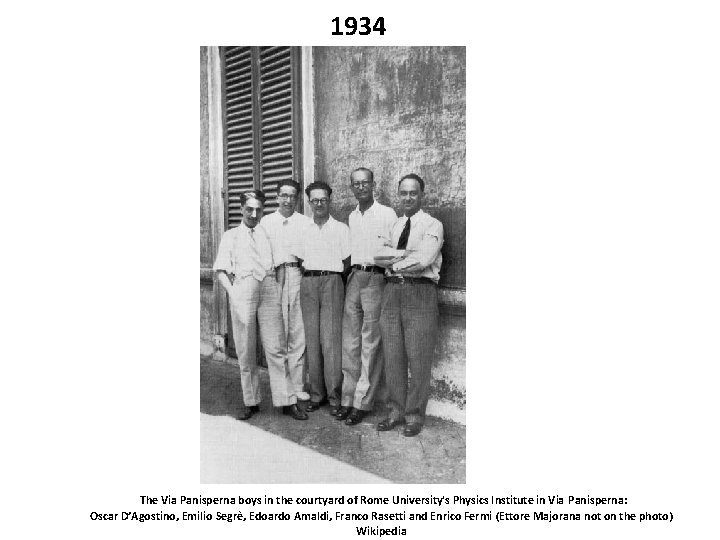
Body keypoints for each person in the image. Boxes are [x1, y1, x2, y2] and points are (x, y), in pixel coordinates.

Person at [213, 190, 307, 421]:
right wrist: (234, 293)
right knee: (245, 349)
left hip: (268, 286)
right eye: (249, 209)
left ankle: (287, 400)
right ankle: (251, 401)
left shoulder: (269, 233)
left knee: (276, 347)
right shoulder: (231, 236)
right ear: (241, 209)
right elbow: (221, 270)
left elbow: (282, 264)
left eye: (258, 210)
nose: (254, 214)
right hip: (243, 287)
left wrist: (278, 289)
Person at [376, 174, 444, 437]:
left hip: (420, 293)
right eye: (403, 193)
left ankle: (414, 415)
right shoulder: (394, 225)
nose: (407, 198)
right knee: (393, 356)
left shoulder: (432, 225)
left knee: (418, 358)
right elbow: (378, 254)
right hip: (392, 292)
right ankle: (395, 411)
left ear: (421, 195)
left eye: (413, 193)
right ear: (398, 194)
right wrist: (405, 257)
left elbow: (424, 259)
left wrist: (395, 260)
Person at [336, 168, 398, 426]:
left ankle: (363, 402)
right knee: (350, 343)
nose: (361, 187)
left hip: (375, 278)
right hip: (354, 278)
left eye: (365, 183)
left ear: (374, 185)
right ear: (351, 188)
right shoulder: (352, 216)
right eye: (356, 184)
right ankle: (347, 399)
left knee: (370, 343)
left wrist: (379, 267)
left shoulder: (387, 214)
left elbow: (395, 250)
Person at [294, 181, 350, 415]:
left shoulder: (341, 229)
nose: (319, 204)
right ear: (309, 202)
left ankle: (335, 396)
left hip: (332, 282)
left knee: (331, 341)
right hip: (308, 282)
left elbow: (347, 262)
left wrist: (331, 279)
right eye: (314, 200)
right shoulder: (303, 229)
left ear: (329, 201)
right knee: (312, 340)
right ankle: (317, 394)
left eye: (323, 200)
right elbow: (299, 259)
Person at [261, 180, 311, 403]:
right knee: (277, 333)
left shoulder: (305, 222)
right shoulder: (266, 222)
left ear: (298, 198)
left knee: (297, 332)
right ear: (276, 197)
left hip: (297, 274)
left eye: (292, 196)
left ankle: (298, 386)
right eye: (284, 195)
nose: (288, 200)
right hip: (273, 277)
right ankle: (282, 388)